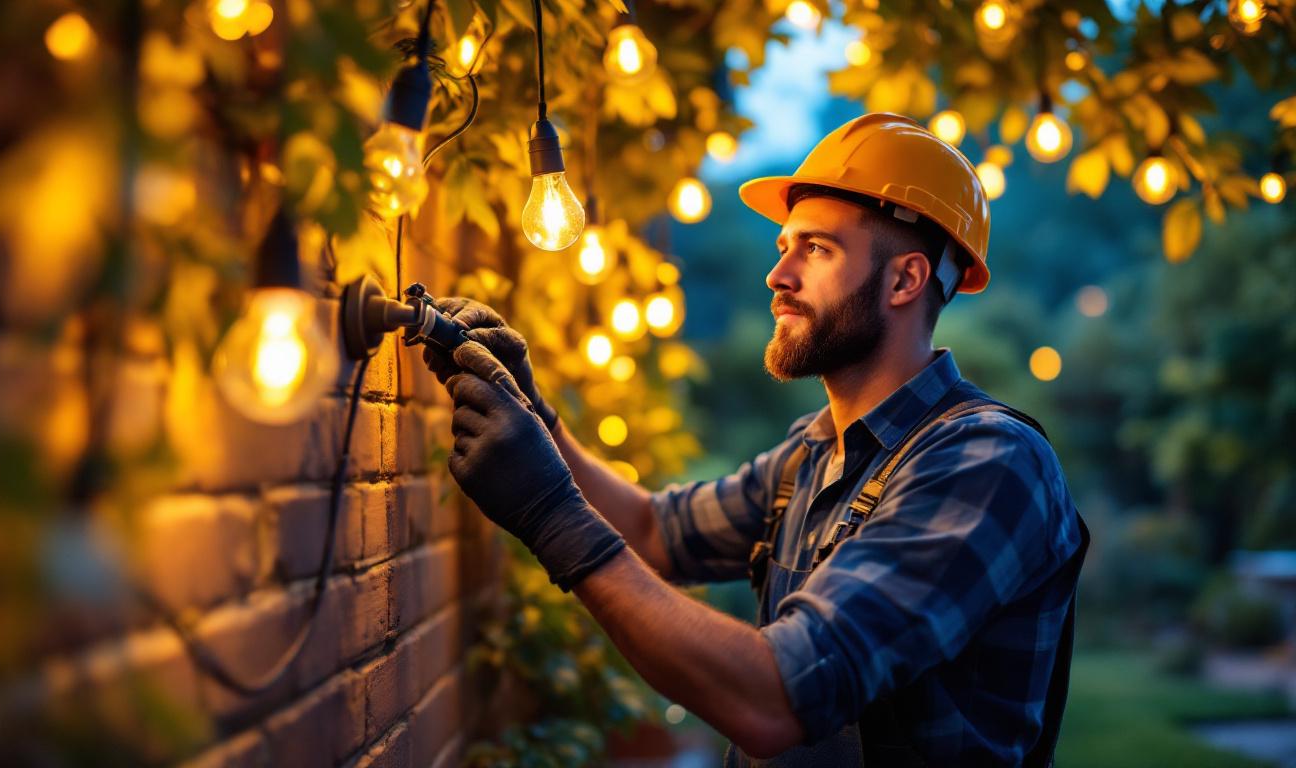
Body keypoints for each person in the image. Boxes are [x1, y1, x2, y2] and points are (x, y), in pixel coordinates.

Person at [423, 113, 1089, 767]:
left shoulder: (986, 462)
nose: (779, 276)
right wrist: (537, 416)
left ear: (905, 280)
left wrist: (549, 515)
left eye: (817, 249)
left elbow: (776, 702)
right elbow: (655, 531)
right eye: (784, 248)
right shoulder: (815, 454)